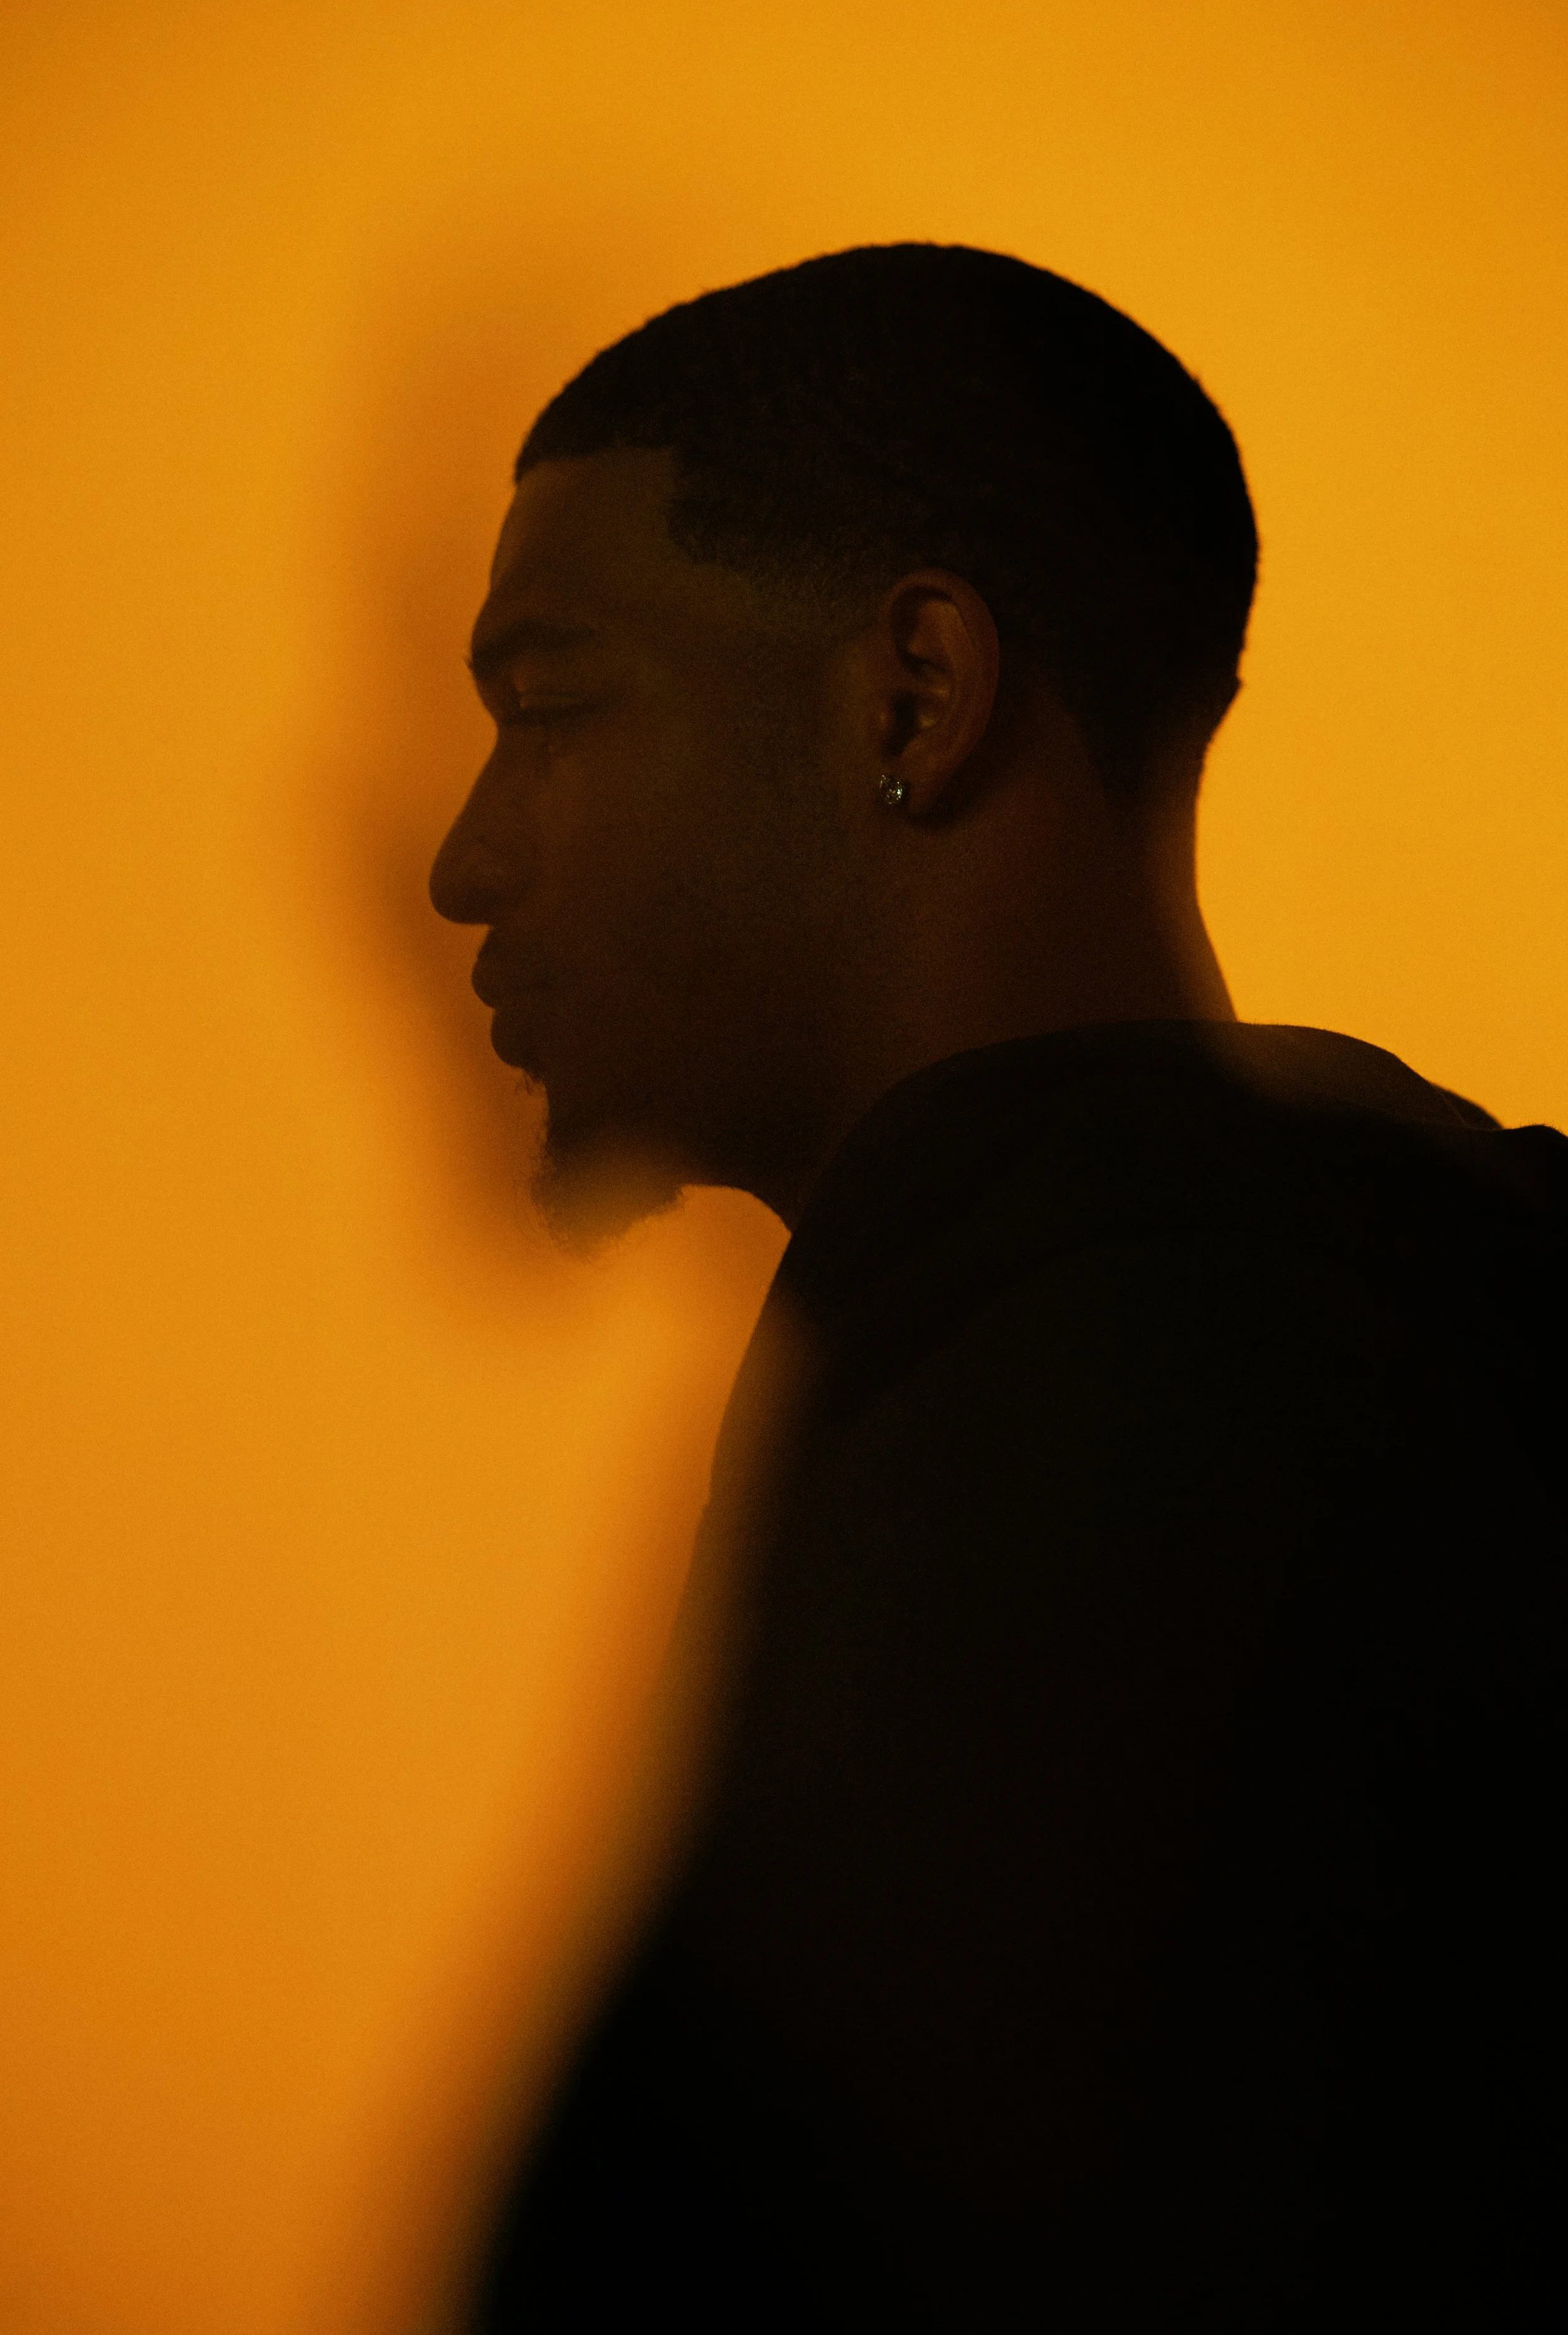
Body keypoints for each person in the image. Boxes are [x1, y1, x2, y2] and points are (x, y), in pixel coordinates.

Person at [428, 245, 1567, 2329]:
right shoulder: (1303, 1323)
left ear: (912, 695)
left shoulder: (1135, 1430)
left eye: (550, 696)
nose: (465, 857)